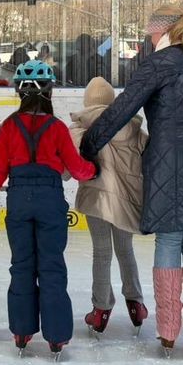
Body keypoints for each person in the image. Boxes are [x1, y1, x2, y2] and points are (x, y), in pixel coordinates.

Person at [81, 7, 183, 357]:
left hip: (164, 163)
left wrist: (89, 144)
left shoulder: (158, 64)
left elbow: (121, 109)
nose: (148, 39)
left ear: (161, 33)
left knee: (169, 239)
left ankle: (169, 330)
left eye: (150, 34)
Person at [0, 60, 96, 358]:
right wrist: (93, 169)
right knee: (51, 266)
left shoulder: (9, 126)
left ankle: (22, 330)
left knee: (21, 265)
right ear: (49, 92)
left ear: (20, 94)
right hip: (50, 202)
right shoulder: (57, 127)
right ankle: (57, 335)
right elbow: (77, 168)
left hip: (20, 200)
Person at [69, 76, 148, 335]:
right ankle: (136, 303)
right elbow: (148, 155)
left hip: (96, 199)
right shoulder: (133, 129)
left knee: (101, 252)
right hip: (126, 199)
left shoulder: (79, 130)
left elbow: (69, 167)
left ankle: (101, 309)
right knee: (125, 250)